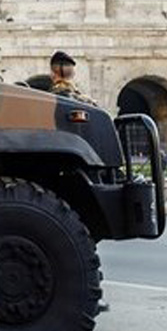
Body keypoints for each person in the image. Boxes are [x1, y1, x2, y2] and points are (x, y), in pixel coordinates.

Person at [48, 50, 108, 311]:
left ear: (53, 72)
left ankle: (70, 294)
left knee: (60, 244)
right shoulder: (87, 102)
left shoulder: (48, 100)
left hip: (57, 180)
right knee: (85, 241)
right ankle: (93, 291)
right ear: (73, 72)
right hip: (86, 178)